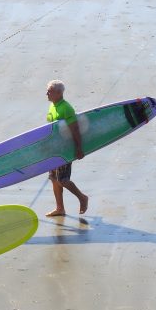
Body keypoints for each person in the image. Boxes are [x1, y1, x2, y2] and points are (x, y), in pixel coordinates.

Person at [44, 80, 89, 217]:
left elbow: (75, 129)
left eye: (49, 91)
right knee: (53, 178)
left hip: (65, 149)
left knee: (63, 179)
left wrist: (79, 148)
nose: (47, 93)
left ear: (58, 93)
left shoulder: (66, 108)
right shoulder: (53, 105)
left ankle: (82, 197)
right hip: (54, 148)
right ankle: (60, 208)